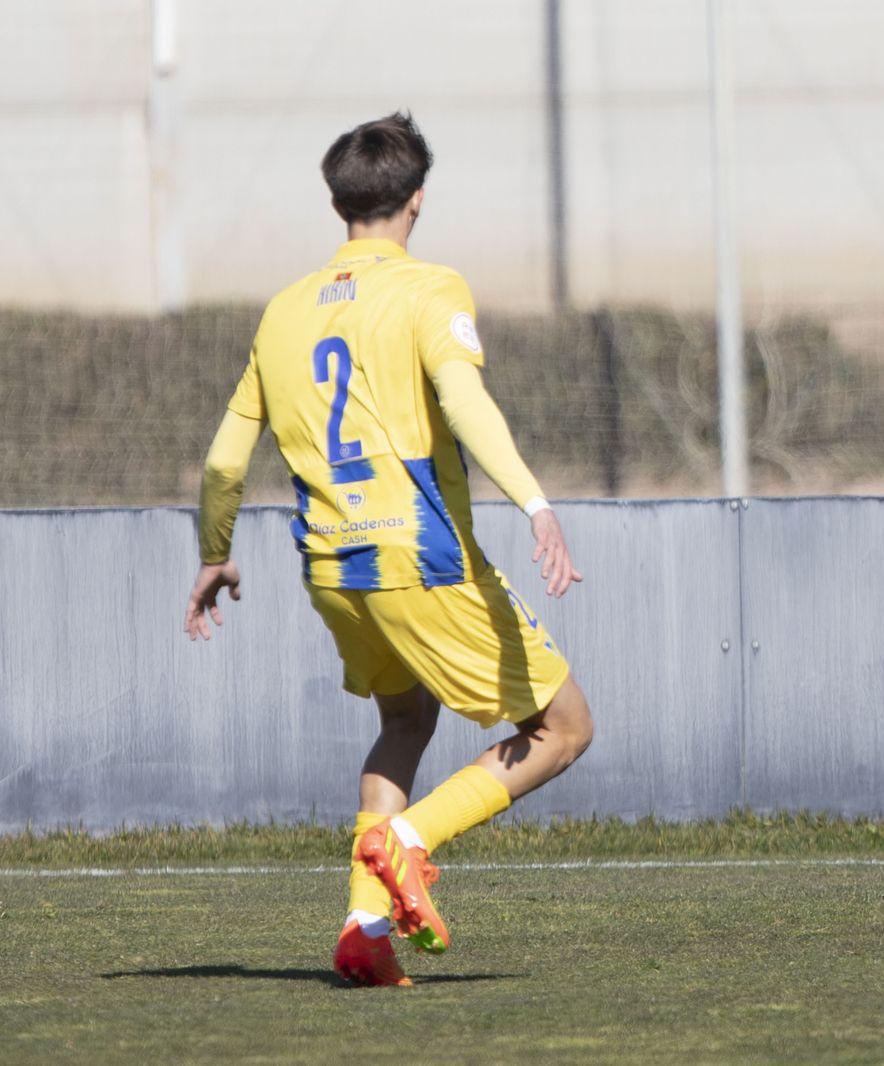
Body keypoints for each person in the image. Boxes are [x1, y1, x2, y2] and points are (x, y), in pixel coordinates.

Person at [183, 112, 593, 985]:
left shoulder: (285, 310)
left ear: (339, 204)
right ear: (417, 200)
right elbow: (464, 399)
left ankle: (364, 930)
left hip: (333, 568)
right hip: (421, 559)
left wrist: (215, 551)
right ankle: (407, 842)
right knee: (564, 728)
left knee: (405, 722)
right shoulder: (429, 287)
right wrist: (535, 502)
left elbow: (223, 460)